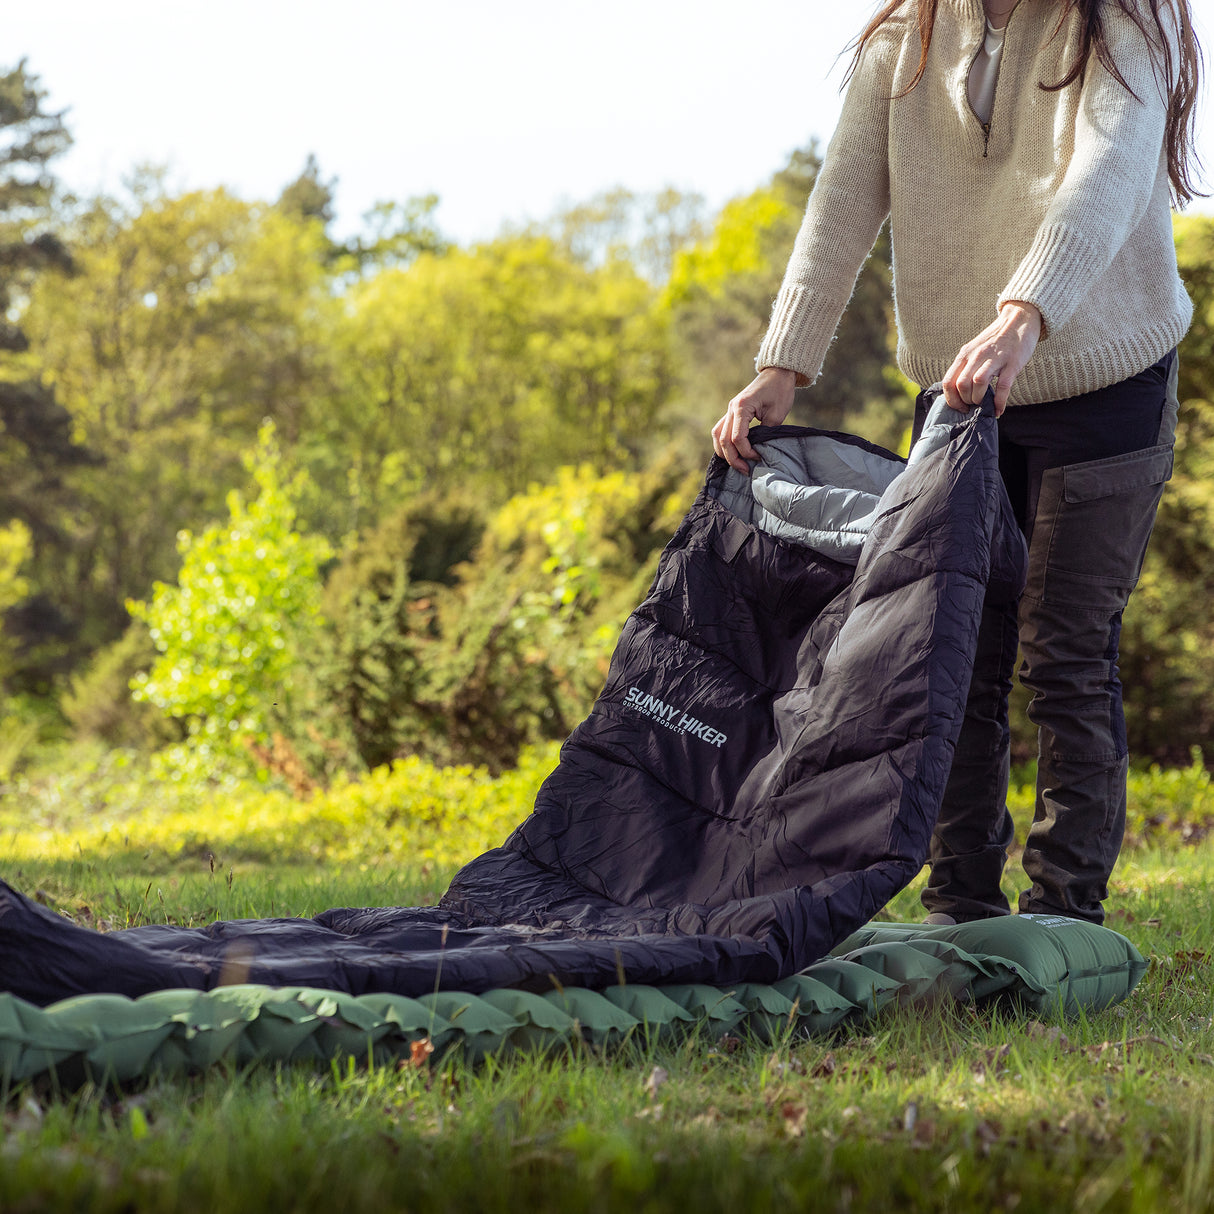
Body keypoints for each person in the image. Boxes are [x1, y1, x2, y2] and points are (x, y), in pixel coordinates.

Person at [712, 0, 1204, 925]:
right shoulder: (903, 42)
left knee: (1065, 653)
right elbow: (841, 200)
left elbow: (1106, 169)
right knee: (954, 652)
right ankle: (959, 906)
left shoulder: (1121, 22)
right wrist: (782, 365)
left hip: (1104, 374)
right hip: (963, 391)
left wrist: (1024, 314)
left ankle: (1065, 914)